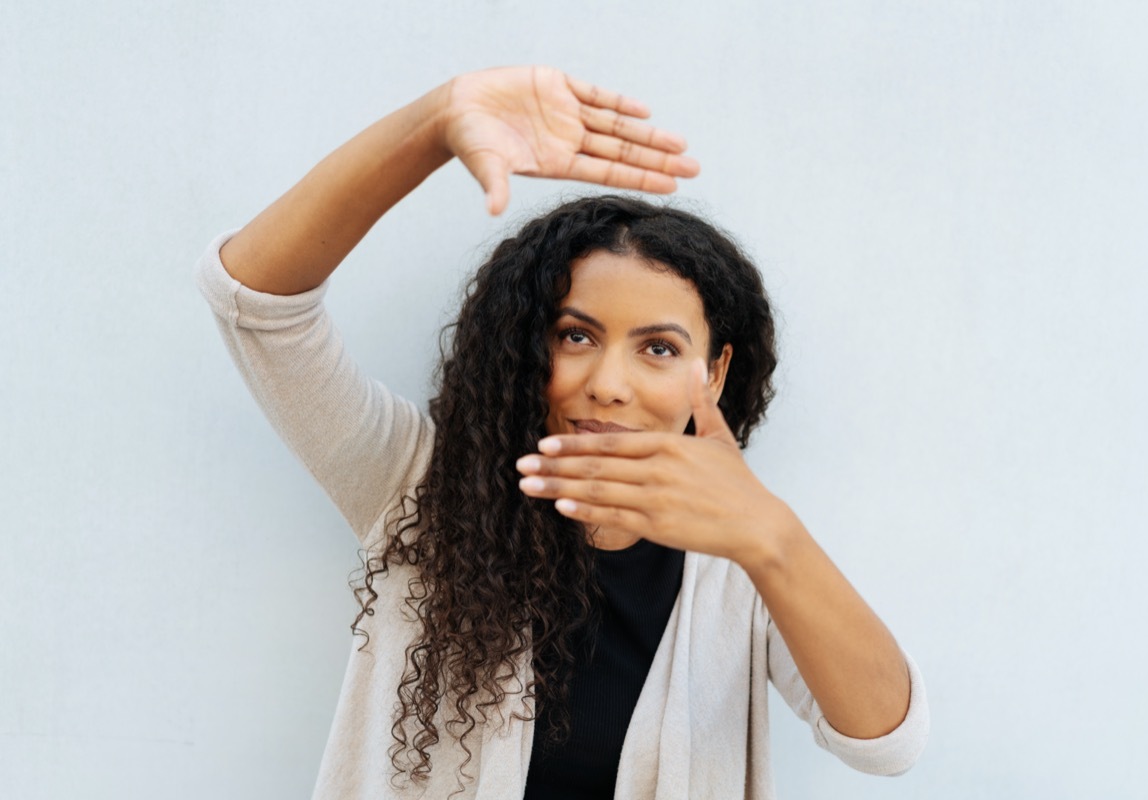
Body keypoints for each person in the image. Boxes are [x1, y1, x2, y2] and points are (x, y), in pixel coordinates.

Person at [196, 65, 929, 799]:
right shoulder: (417, 487)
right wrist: (432, 126)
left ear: (714, 372)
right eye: (575, 335)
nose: (608, 382)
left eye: (659, 348)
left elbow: (887, 743)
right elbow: (255, 302)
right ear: (527, 345)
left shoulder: (741, 564)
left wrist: (773, 538)